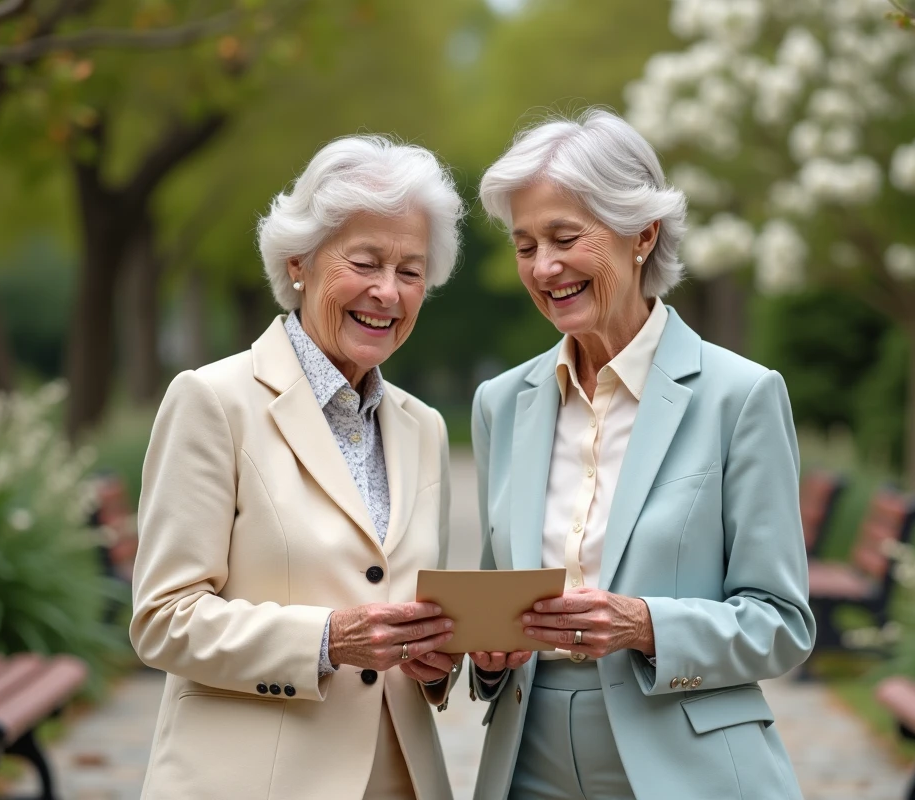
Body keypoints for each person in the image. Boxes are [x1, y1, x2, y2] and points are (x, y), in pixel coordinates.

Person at [467, 109, 816, 800]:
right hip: (526, 763)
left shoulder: (739, 395)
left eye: (565, 238)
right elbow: (494, 599)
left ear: (642, 234)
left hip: (689, 768)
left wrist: (646, 625)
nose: (545, 267)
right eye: (525, 244)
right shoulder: (500, 404)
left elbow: (783, 623)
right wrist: (485, 655)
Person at [130, 135, 465, 799]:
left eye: (411, 270)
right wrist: (326, 639)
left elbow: (410, 610)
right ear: (298, 264)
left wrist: (437, 663)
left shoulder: (424, 427)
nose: (387, 293)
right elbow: (162, 619)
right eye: (365, 262)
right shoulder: (214, 401)